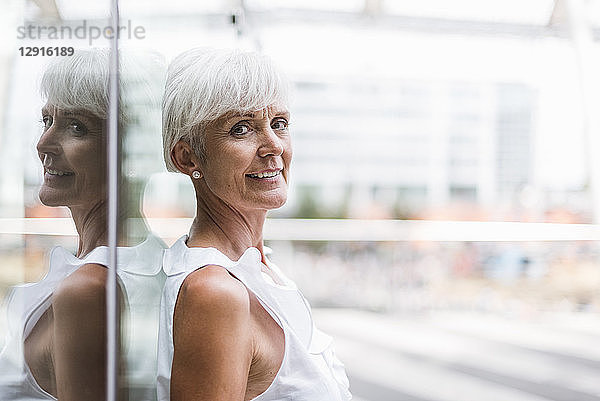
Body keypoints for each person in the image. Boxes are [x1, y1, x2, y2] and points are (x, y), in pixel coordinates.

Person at [158, 48, 352, 401]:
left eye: (279, 123)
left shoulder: (258, 269)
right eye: (241, 129)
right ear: (187, 157)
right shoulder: (214, 292)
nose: (274, 145)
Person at [0, 49, 166, 401]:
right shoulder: (139, 265)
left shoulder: (91, 289)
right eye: (47, 121)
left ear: (131, 152)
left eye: (77, 127)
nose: (43, 143)